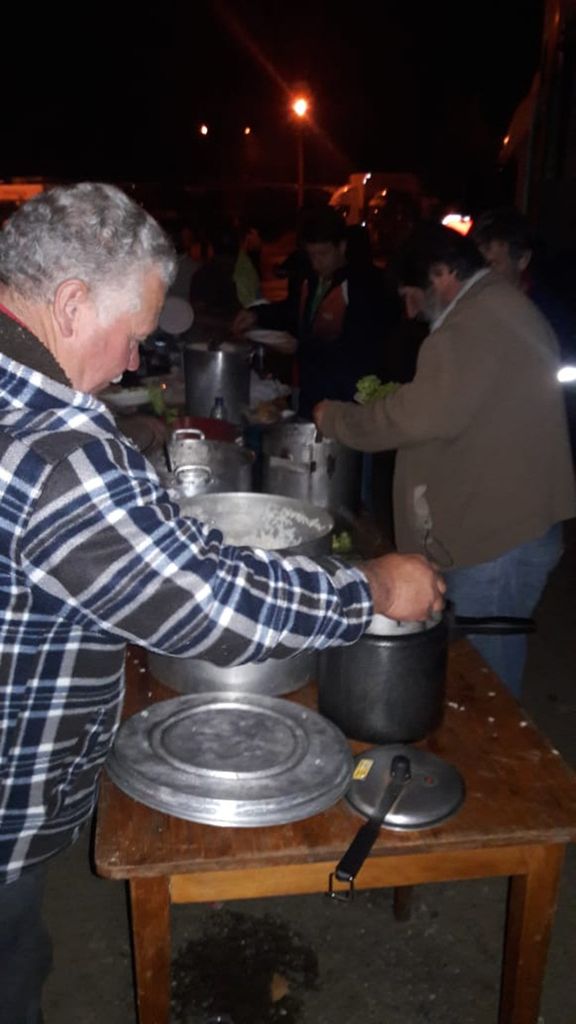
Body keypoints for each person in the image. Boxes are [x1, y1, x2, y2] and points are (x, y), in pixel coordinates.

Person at [0, 183, 444, 1024]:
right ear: (67, 303)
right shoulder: (57, 452)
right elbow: (207, 608)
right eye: (131, 336)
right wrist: (373, 586)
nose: (134, 362)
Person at [314, 222, 576, 699]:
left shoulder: (471, 325)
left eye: (412, 296)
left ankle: (497, 769)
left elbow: (415, 419)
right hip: (513, 528)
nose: (411, 313)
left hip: (498, 542)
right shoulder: (500, 305)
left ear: (442, 273)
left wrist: (336, 419)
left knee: (482, 679)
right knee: (486, 665)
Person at [233, 206, 402, 418]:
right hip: (311, 391)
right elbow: (294, 312)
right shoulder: (310, 279)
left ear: (341, 247)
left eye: (322, 254)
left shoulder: (366, 286)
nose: (316, 263)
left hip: (348, 400)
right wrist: (257, 314)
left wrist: (301, 348)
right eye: (311, 255)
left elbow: (359, 348)